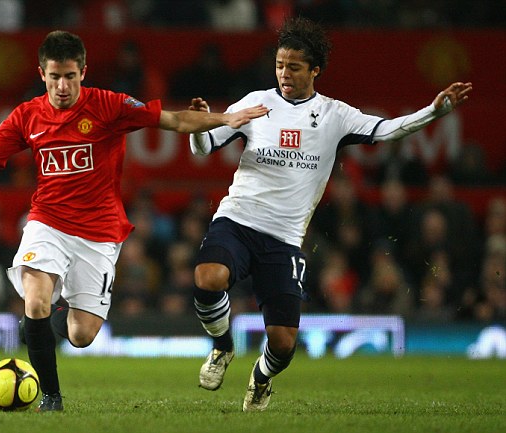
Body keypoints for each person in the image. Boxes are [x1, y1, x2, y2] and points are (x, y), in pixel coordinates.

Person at [0, 30, 268, 412]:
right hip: (47, 222)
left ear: (83, 72)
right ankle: (51, 397)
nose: (62, 86)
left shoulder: (109, 105)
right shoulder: (27, 115)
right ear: (42, 74)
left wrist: (228, 118)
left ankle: (49, 320)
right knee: (35, 299)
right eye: (54, 77)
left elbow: (173, 120)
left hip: (100, 233)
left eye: (69, 76)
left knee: (81, 334)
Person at [187, 16, 472, 412]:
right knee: (208, 277)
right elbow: (203, 149)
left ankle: (261, 378)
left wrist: (433, 111)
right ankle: (221, 347)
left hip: (283, 238)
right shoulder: (255, 104)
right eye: (280, 66)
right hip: (237, 219)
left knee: (284, 343)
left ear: (315, 70)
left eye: (295, 67)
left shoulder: (335, 115)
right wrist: (200, 126)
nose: (284, 74)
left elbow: (387, 130)